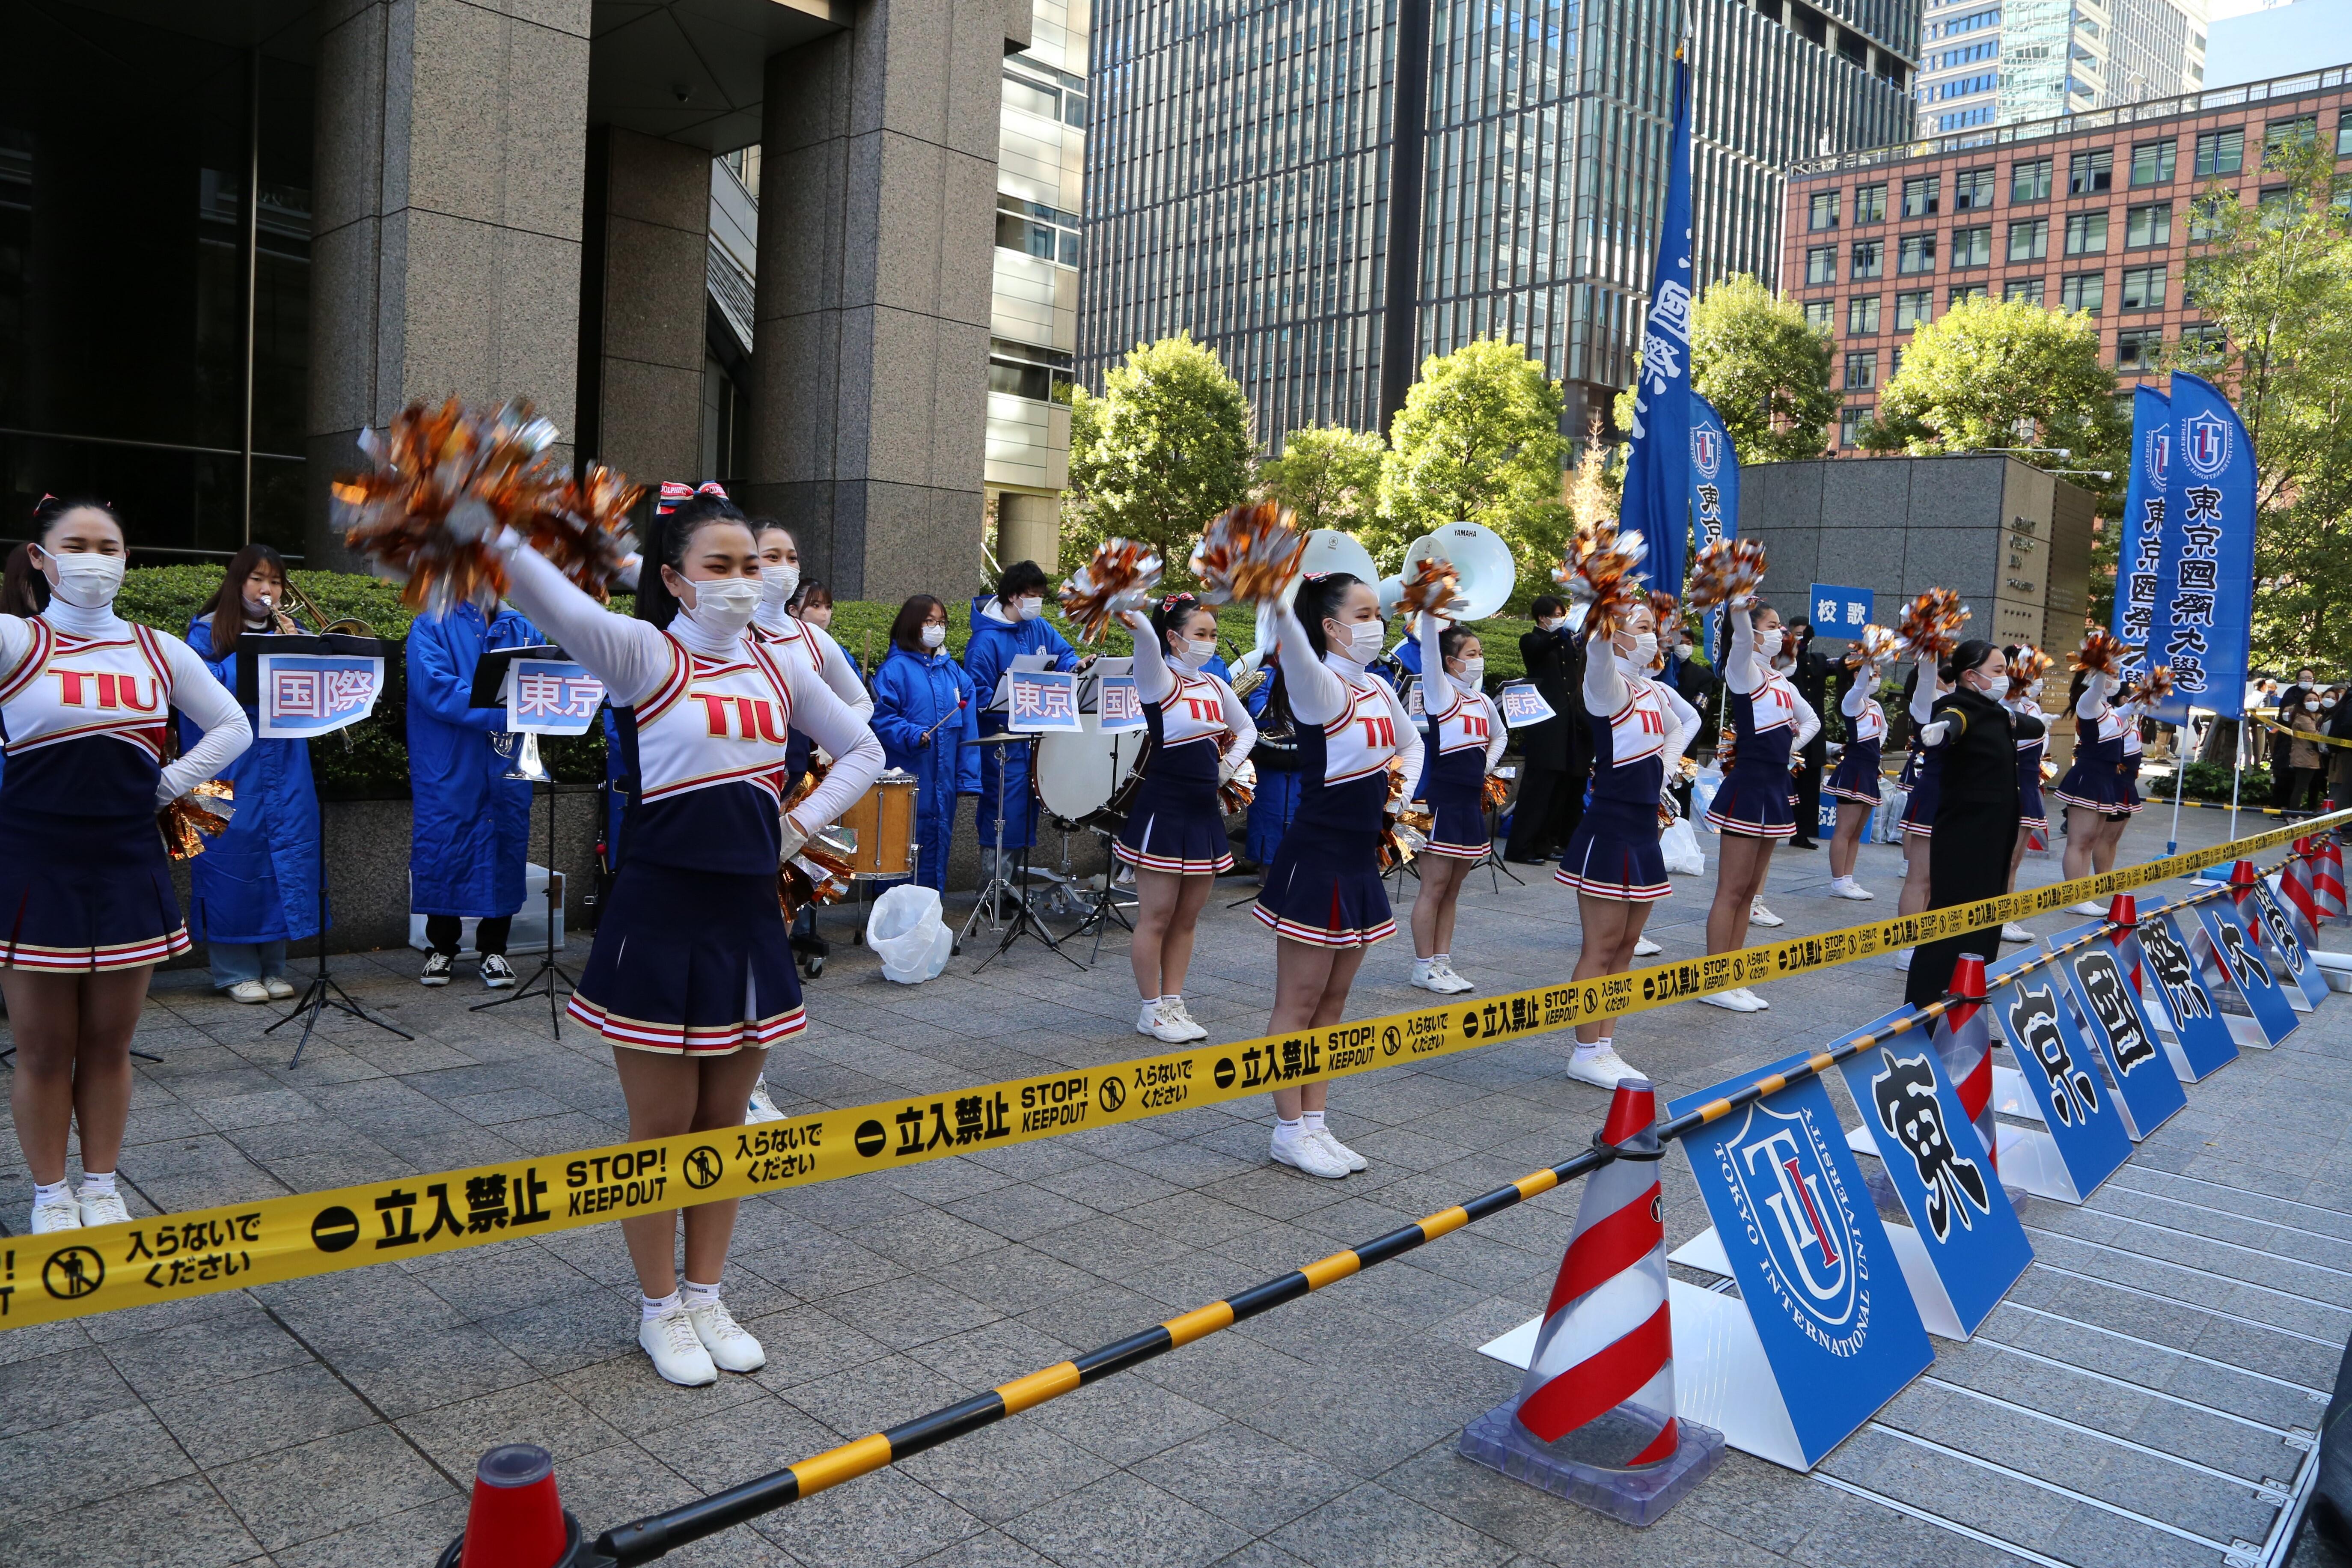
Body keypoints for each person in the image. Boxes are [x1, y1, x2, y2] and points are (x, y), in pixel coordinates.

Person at [491, 492, 883, 1386]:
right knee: (659, 1128)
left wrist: (793, 827)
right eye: (719, 565)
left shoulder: (780, 668)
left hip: (748, 916)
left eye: (751, 565)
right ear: (671, 578)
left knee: (724, 1126)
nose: (743, 582)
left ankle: (707, 1292)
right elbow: (545, 594)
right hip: (662, 914)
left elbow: (861, 747)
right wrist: (483, 516)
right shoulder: (644, 654)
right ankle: (658, 1308)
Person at [2, 497, 252, 1232]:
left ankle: (102, 1181)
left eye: (107, 545)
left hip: (126, 855)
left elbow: (233, 724)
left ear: (125, 560)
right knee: (44, 1047)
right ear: (41, 558)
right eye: (74, 544)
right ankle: (51, 1192)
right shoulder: (15, 641)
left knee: (110, 1041)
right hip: (33, 861)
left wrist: (169, 784)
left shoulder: (158, 649)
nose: (93, 557)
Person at [1254, 572, 1420, 1180]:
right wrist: (1269, 588)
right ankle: (1286, 1128)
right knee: (1297, 1000)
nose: (1377, 623)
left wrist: (1400, 804)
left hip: (1357, 859)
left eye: (1379, 611)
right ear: (1331, 625)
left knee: (1333, 1001)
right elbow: (1292, 646)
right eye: (1365, 612)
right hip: (1317, 856)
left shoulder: (1377, 686)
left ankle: (1316, 1122)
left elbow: (1412, 744)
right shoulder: (1318, 685)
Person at [182, 546, 323, 1001]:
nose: (268, 590)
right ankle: (231, 971)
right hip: (218, 767)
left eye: (276, 582)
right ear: (237, 582)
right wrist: (263, 656)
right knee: (224, 858)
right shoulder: (203, 632)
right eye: (258, 579)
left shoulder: (293, 630)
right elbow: (200, 693)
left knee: (284, 855)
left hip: (284, 763)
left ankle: (274, 966)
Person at [1114, 593, 1255, 1041]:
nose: (1209, 642)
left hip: (1202, 811)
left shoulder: (1215, 686)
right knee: (1156, 916)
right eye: (1200, 634)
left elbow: (1248, 728)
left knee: (1187, 918)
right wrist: (1128, 600)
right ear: (1174, 638)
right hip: (1164, 807)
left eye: (1213, 635)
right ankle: (1149, 1010)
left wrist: (1228, 766)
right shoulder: (1157, 679)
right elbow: (1141, 633)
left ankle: (1174, 1003)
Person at [1556, 597, 1680, 1088]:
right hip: (1609, 827)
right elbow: (1599, 653)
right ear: (1616, 631)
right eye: (1642, 626)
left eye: (1653, 627)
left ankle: (1605, 1044)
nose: (1653, 635)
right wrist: (1601, 611)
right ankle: (1584, 1050)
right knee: (1601, 944)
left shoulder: (1652, 692)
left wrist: (1665, 775)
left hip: (1643, 828)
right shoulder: (1605, 687)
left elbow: (1678, 730)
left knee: (1627, 946)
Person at [407, 589, 542, 988]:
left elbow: (545, 681)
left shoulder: (523, 626)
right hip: (449, 758)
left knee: (506, 844)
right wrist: (500, 704)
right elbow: (435, 688)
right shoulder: (431, 622)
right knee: (443, 844)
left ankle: (494, 950)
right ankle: (441, 948)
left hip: (505, 758)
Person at [1698, 597, 1819, 1011]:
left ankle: (1732, 977)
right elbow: (1742, 638)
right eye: (1771, 624)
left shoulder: (1783, 682)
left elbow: (1813, 722)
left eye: (1781, 624)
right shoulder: (1743, 671)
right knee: (1731, 889)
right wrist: (1738, 601)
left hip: (1774, 787)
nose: (1780, 631)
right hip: (1747, 787)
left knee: (1750, 892)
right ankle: (1714, 979)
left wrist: (1787, 752)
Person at [1906, 641, 2040, 1008]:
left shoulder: (1995, 711)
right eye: (1997, 671)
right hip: (1965, 837)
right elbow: (1950, 722)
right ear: (1970, 675)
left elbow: (2032, 726)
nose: (2004, 678)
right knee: (1950, 923)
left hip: (1994, 836)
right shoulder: (1957, 707)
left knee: (1985, 925)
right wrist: (1940, 732)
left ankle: (1967, 1013)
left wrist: (2020, 717)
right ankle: (1924, 1010)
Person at [1407, 608, 1507, 993]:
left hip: (1469, 802)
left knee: (1453, 889)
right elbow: (1428, 654)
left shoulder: (1481, 701)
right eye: (1471, 653)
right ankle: (1422, 966)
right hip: (1440, 800)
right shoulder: (1441, 693)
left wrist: (1486, 765)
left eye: (1479, 652)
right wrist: (1432, 610)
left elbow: (1499, 736)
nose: (1478, 659)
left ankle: (1442, 961)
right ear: (1450, 661)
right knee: (1433, 886)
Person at [962, 561, 1079, 878]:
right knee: (1001, 815)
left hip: (1033, 742)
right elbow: (978, 696)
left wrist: (1077, 665)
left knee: (1024, 814)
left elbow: (1065, 655)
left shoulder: (1039, 626)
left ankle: (1011, 888)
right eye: (1032, 595)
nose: (1037, 602)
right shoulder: (984, 643)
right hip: (1001, 745)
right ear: (1012, 596)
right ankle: (993, 892)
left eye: (1041, 595)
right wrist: (1014, 703)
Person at [867, 596, 980, 892]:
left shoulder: (954, 673)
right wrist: (912, 734)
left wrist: (967, 778)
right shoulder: (893, 671)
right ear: (912, 624)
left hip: (943, 785)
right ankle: (893, 918)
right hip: (904, 780)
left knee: (937, 846)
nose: (937, 628)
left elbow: (968, 731)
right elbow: (879, 718)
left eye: (941, 622)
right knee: (899, 847)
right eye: (930, 621)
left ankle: (929, 914)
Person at [1503, 596, 1585, 864]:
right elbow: (1540, 650)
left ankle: (1544, 843)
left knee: (1558, 789)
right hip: (1544, 725)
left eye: (1564, 614)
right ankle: (1519, 847)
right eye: (1558, 614)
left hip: (1568, 725)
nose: (1562, 619)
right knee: (1537, 789)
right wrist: (1565, 630)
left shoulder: (1566, 642)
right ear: (1543, 618)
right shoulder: (1532, 640)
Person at [2052, 664, 2133, 914]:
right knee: (2079, 840)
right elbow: (2097, 687)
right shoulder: (2088, 704)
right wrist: (2101, 663)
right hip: (2088, 777)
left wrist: (2154, 690)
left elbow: (2132, 707)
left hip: (2107, 779)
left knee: (2090, 840)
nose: (2117, 680)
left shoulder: (2109, 710)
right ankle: (2073, 898)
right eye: (2112, 675)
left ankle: (2083, 895)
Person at [1891, 655, 1949, 969]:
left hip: (1960, 795)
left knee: (1940, 878)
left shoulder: (1969, 704)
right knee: (1920, 877)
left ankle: (1927, 938)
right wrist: (1930, 647)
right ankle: (1907, 946)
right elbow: (1926, 678)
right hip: (1933, 791)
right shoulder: (1927, 704)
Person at [1824, 642, 1891, 900]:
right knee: (1844, 829)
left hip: (1870, 768)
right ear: (1857, 674)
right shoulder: (1851, 702)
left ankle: (1848, 879)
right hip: (1853, 770)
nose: (1878, 678)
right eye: (1874, 672)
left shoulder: (1875, 706)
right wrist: (1867, 661)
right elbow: (1860, 686)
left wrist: (1877, 749)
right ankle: (1837, 881)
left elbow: (1883, 730)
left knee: (1857, 832)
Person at [2000, 649, 2051, 943]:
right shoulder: (1999, 705)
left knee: (2015, 859)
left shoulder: (2033, 709)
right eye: (2027, 671)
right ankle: (1996, 916)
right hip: (2008, 786)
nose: (2034, 679)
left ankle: (2005, 914)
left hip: (2029, 786)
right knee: (2003, 858)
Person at [1241, 664, 1301, 875]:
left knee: (1299, 813)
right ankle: (1268, 868)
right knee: (1272, 814)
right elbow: (1259, 710)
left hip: (1302, 757)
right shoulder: (1266, 674)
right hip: (1273, 758)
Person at [1784, 619, 1835, 850]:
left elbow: (1840, 666)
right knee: (1790, 784)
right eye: (1798, 634)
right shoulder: (1786, 661)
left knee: (1810, 786)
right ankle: (1784, 826)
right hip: (1794, 733)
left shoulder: (1818, 661)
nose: (1802, 638)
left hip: (1813, 735)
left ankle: (1803, 833)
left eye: (1805, 634)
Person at [2272, 666, 2319, 808]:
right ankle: (2280, 808)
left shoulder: (2312, 696)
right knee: (2284, 776)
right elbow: (2285, 718)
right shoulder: (2290, 695)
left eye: (2310, 678)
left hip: (2306, 747)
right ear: (2298, 680)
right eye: (2304, 678)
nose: (2307, 681)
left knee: (2299, 780)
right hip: (2288, 742)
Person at [2284, 691, 2328, 816]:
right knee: (2301, 787)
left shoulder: (2313, 716)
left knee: (2310, 786)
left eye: (2315, 699)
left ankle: (2308, 811)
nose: (2313, 702)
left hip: (2310, 757)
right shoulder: (2303, 717)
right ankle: (2293, 814)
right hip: (2305, 757)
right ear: (2303, 703)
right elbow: (2315, 736)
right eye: (2309, 700)